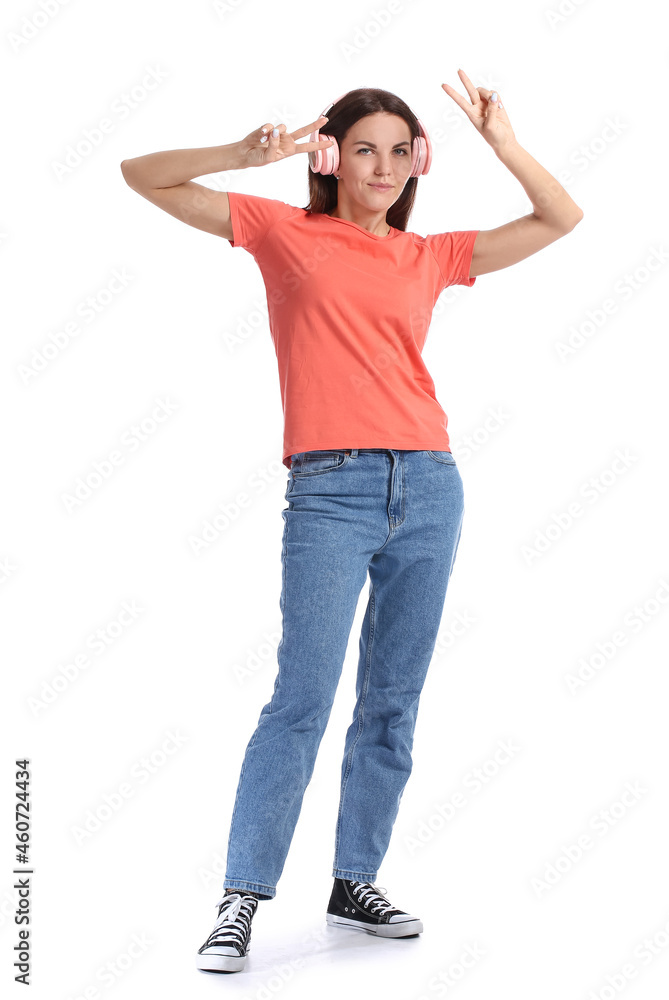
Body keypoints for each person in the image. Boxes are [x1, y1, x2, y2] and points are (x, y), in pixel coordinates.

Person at [120, 71, 583, 975]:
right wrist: (242, 155)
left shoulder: (430, 256)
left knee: (391, 703)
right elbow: (142, 174)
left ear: (419, 163)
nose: (381, 166)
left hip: (431, 485)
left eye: (398, 151)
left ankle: (353, 880)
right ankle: (240, 900)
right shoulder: (282, 231)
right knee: (300, 700)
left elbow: (560, 217)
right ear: (330, 157)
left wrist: (504, 142)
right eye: (362, 148)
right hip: (328, 490)